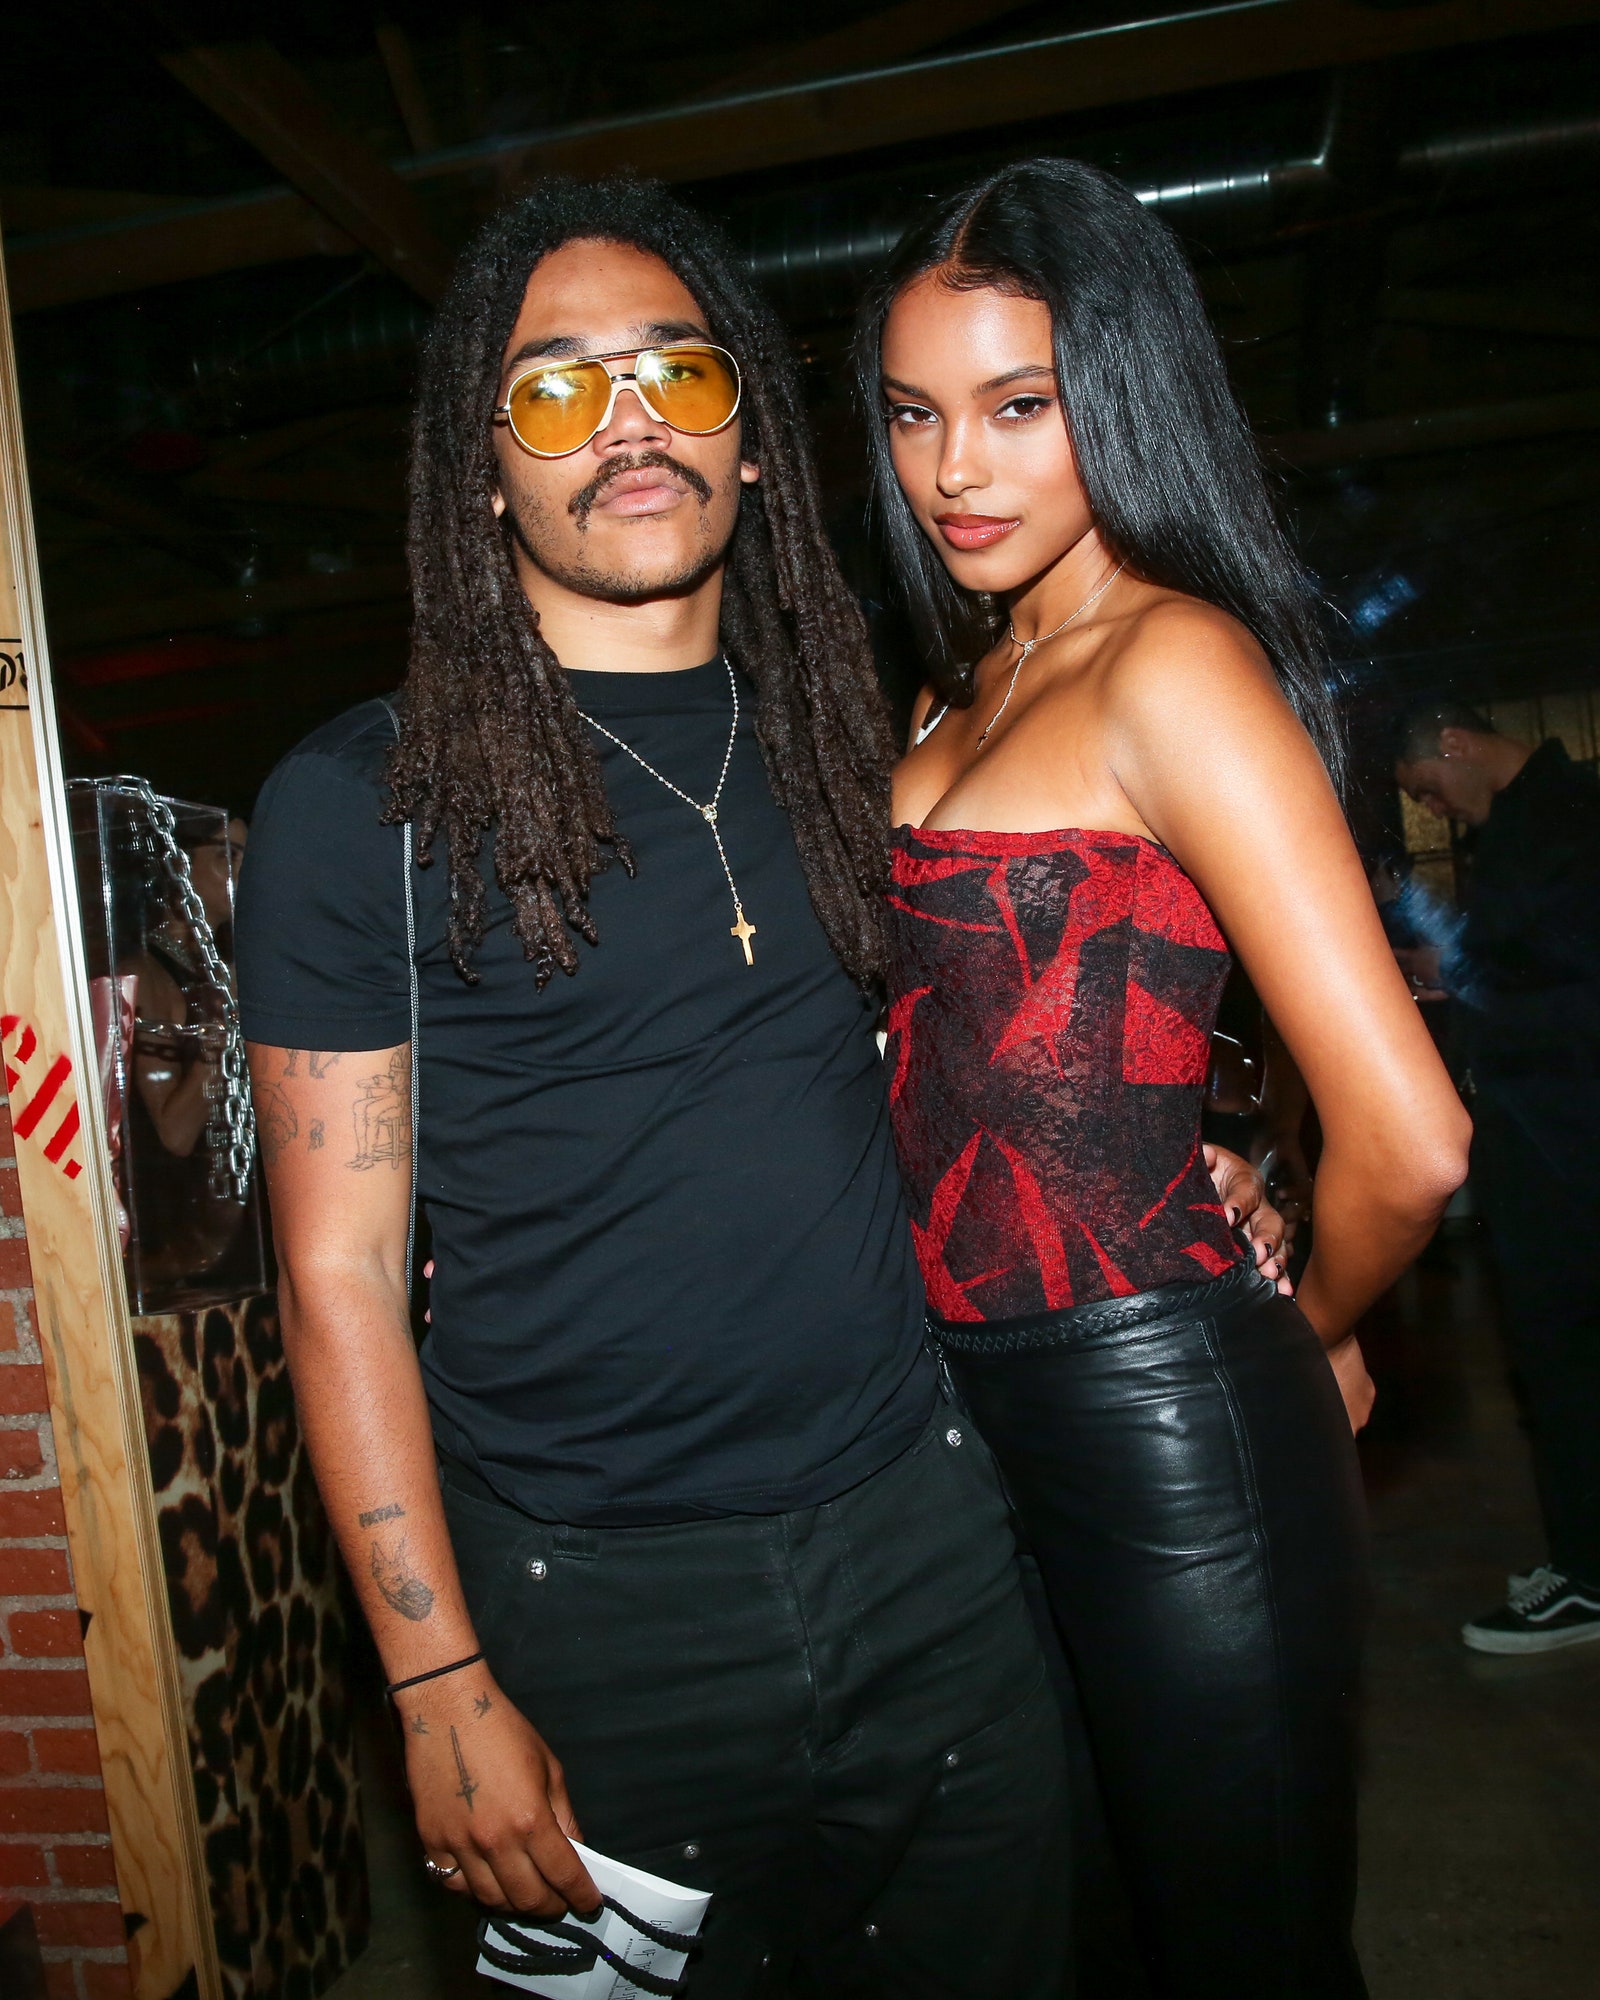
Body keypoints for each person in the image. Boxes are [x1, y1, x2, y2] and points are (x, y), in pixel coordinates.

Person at [234, 173, 1289, 1997]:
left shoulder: (857, 742)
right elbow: (335, 1273)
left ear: (749, 442)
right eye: (557, 388)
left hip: (934, 1545)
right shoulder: (365, 805)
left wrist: (1180, 1158)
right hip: (593, 1607)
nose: (629, 421)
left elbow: (974, 1051)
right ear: (480, 468)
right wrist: (434, 1679)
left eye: (680, 373)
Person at [857, 157, 1471, 1999]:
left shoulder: (1175, 665)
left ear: (1120, 393)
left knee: (1240, 1954)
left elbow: (1413, 1138)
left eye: (1018, 406)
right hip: (961, 1422)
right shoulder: (956, 686)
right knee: (1080, 1948)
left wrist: (1311, 1329)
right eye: (913, 414)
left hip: (1164, 1417)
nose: (955, 468)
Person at [1395, 701, 1600, 1654]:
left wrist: (1466, 977)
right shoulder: (1533, 822)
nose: (1434, 808)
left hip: (1570, 1143)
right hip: (1552, 1138)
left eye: (1429, 789)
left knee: (1563, 1358)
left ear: (1456, 742)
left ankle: (1589, 1579)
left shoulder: (1568, 820)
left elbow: (1572, 987)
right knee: (1558, 1360)